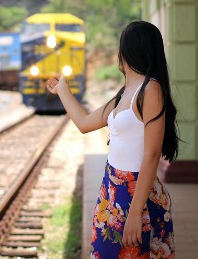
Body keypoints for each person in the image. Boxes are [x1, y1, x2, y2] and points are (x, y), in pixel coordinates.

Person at [46, 21, 179, 258]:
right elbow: (85, 123)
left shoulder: (150, 90)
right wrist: (63, 90)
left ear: (129, 50)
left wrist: (136, 213)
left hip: (138, 195)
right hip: (112, 190)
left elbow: (151, 154)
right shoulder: (124, 93)